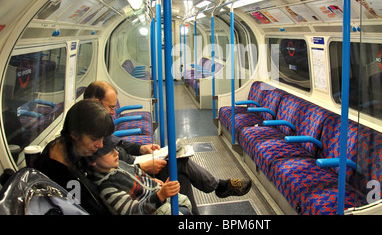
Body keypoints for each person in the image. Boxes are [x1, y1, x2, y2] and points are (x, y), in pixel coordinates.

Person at [83, 81, 252, 215]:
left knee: (177, 165)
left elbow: (120, 144)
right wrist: (141, 167)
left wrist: (142, 149)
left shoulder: (97, 126)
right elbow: (114, 169)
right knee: (178, 165)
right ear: (97, 102)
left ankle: (206, 200)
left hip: (135, 164)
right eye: (111, 107)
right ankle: (219, 187)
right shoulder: (90, 135)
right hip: (133, 171)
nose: (113, 113)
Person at [34, 99, 113, 215]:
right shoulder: (62, 176)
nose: (100, 145)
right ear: (75, 134)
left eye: (102, 138)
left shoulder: (71, 146)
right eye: (94, 139)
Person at [88, 134, 192, 215]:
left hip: (152, 193)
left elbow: (138, 172)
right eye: (110, 152)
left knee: (185, 200)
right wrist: (160, 195)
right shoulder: (107, 188)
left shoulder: (117, 165)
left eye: (115, 149)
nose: (117, 153)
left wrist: (152, 181)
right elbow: (133, 212)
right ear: (92, 161)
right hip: (151, 207)